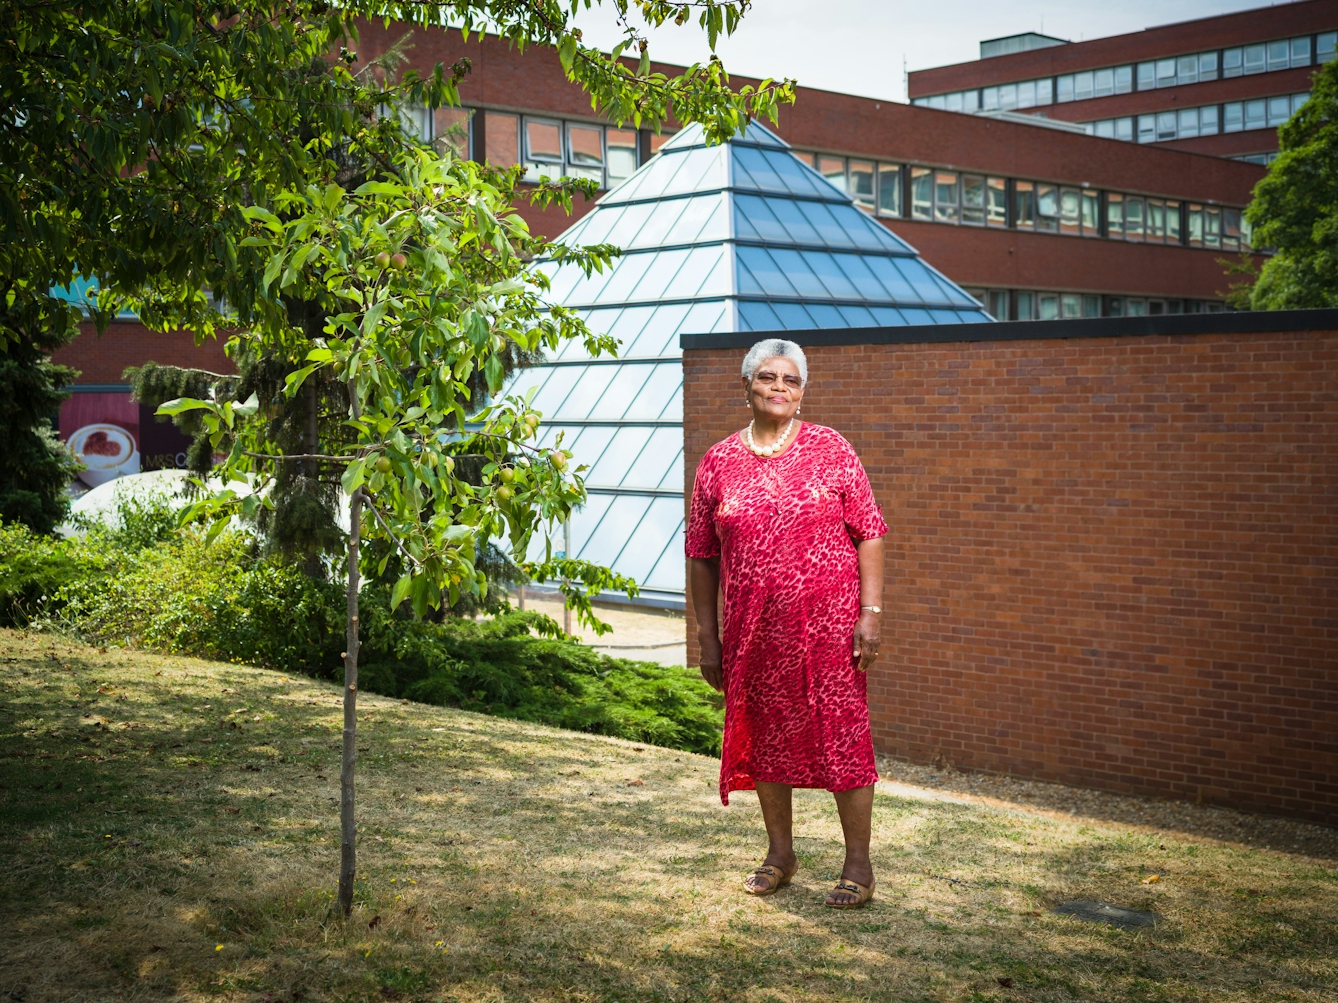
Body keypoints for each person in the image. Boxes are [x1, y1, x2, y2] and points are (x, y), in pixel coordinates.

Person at [686, 338, 887, 910]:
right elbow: (701, 553)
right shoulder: (718, 462)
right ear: (746, 385)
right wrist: (708, 637)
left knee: (843, 739)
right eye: (768, 377)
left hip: (829, 630)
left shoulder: (832, 449)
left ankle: (858, 864)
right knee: (765, 737)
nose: (780, 387)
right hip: (752, 631)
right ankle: (780, 855)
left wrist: (869, 616)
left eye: (791, 380)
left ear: (802, 392)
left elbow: (869, 530)